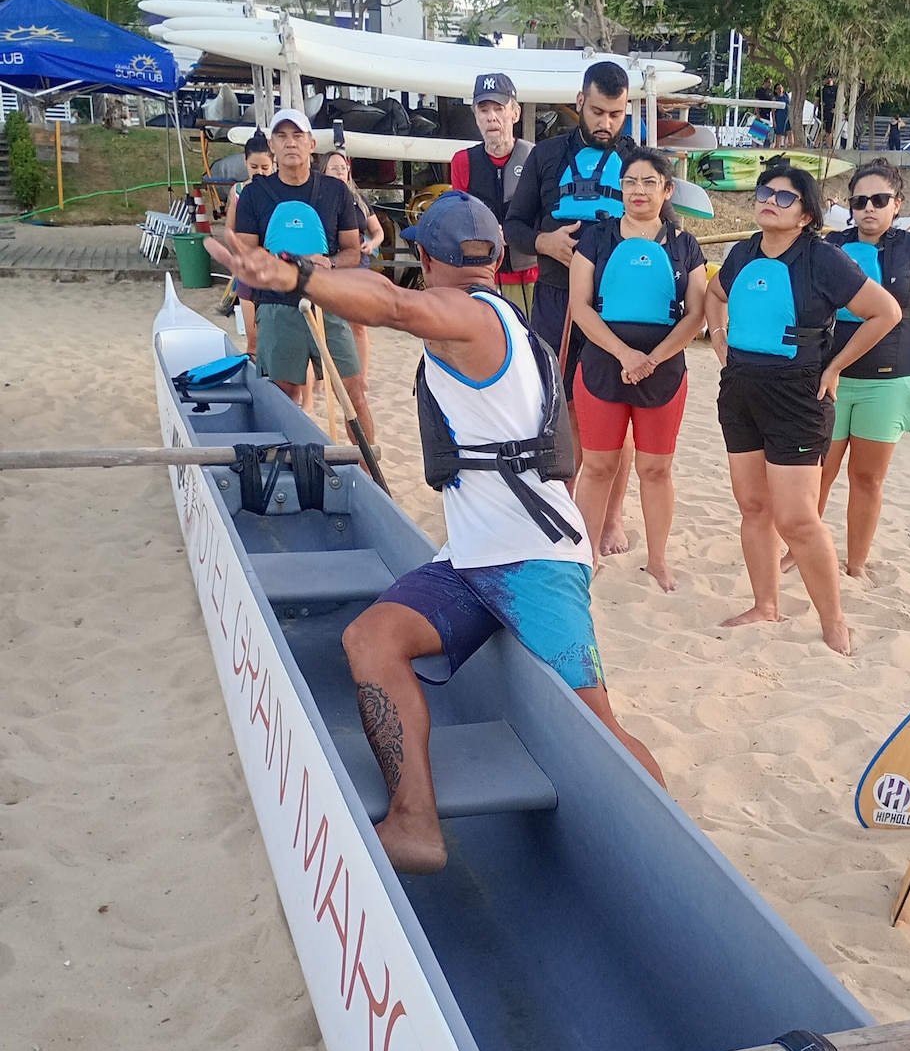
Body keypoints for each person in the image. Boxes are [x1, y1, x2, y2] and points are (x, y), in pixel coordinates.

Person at [207, 190, 664, 874]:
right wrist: (315, 270)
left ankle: (679, 848)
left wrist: (296, 279)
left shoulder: (466, 319)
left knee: (598, 724)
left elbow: (395, 305)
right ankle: (415, 820)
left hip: (534, 562)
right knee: (372, 638)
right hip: (474, 559)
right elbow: (381, 289)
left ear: (425, 256)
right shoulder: (494, 313)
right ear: (498, 257)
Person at [705, 164, 902, 654]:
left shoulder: (823, 259)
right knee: (753, 507)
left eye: (784, 197)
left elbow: (887, 312)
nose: (769, 200)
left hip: (798, 397)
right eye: (765, 192)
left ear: (807, 214)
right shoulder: (743, 252)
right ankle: (765, 604)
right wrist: (720, 340)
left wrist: (835, 369)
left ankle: (834, 620)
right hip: (741, 390)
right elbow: (714, 293)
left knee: (796, 518)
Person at [506, 59, 637, 555]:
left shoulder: (637, 161)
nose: (607, 124)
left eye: (617, 115)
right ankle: (564, 504)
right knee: (560, 409)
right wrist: (545, 242)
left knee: (612, 413)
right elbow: (514, 225)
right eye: (599, 111)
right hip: (556, 299)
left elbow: (664, 229)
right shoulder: (545, 156)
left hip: (617, 307)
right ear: (580, 102)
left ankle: (612, 517)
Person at [568, 148, 709, 591]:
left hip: (663, 371)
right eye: (631, 182)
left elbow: (696, 315)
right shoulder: (596, 238)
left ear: (667, 190)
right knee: (596, 466)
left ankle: (658, 560)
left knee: (656, 469)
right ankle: (587, 552)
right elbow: (581, 307)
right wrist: (625, 355)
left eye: (650, 182)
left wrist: (654, 358)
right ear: (620, 188)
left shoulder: (686, 245)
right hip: (602, 365)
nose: (639, 191)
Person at [819, 158, 910, 580]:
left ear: (896, 204)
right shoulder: (832, 246)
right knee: (818, 472)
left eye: (879, 200)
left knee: (867, 478)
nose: (869, 208)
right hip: (833, 376)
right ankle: (802, 550)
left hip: (891, 379)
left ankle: (856, 562)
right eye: (860, 200)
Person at [227, 108, 374, 443]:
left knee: (354, 393)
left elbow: (353, 250)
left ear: (311, 144)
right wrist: (286, 263)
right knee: (284, 396)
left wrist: (330, 264)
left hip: (329, 302)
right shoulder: (254, 194)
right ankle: (287, 466)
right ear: (272, 147)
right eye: (281, 136)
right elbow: (247, 253)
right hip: (277, 306)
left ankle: (369, 473)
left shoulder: (336, 192)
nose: (290, 143)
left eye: (297, 136)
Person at [450, 72, 537, 321]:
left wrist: (514, 234)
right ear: (475, 115)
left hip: (530, 273)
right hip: (483, 275)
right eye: (483, 109)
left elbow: (545, 215)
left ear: (515, 113)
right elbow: (461, 218)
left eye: (499, 108)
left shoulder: (535, 157)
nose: (491, 117)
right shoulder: (462, 161)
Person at [320, 150, 385, 385]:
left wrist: (372, 243)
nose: (340, 172)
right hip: (329, 264)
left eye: (343, 167)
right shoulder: (319, 198)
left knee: (359, 324)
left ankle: (362, 377)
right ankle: (324, 377)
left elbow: (378, 232)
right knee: (329, 323)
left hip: (358, 263)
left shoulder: (359, 199)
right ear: (324, 172)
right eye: (334, 168)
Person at [225, 130, 274, 361]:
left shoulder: (278, 190)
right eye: (254, 167)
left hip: (275, 264)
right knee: (252, 335)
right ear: (245, 162)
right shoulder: (239, 191)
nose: (259, 172)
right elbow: (229, 228)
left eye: (265, 167)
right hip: (248, 265)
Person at [773, 83, 793, 148]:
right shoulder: (775, 98)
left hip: (787, 117)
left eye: (781, 88)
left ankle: (793, 147)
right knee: (779, 134)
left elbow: (790, 104)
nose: (780, 90)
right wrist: (774, 121)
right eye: (778, 89)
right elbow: (773, 111)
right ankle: (777, 148)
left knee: (789, 132)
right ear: (775, 90)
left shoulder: (786, 95)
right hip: (779, 117)